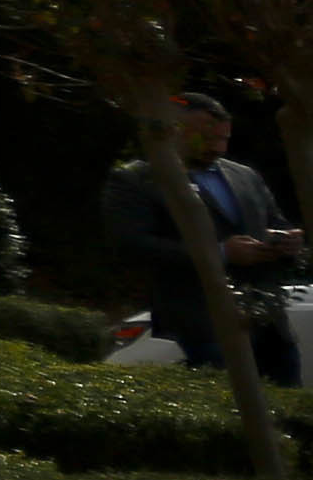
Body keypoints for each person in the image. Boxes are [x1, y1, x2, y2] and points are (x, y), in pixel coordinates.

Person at [107, 95, 299, 380]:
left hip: (269, 322)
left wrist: (287, 241)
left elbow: (274, 222)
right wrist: (219, 253)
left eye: (224, 138)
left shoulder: (244, 175)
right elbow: (131, 244)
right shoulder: (137, 180)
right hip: (200, 322)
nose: (217, 147)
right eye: (206, 137)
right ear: (174, 129)